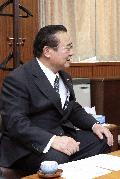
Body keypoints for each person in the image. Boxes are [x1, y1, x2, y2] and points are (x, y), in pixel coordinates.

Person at [0, 25, 113, 174]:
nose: (72, 53)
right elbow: (16, 123)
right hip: (29, 145)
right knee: (57, 158)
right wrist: (53, 140)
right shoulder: (19, 78)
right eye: (67, 48)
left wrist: (94, 125)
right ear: (47, 51)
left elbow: (72, 108)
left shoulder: (64, 76)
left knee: (101, 140)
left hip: (61, 135)